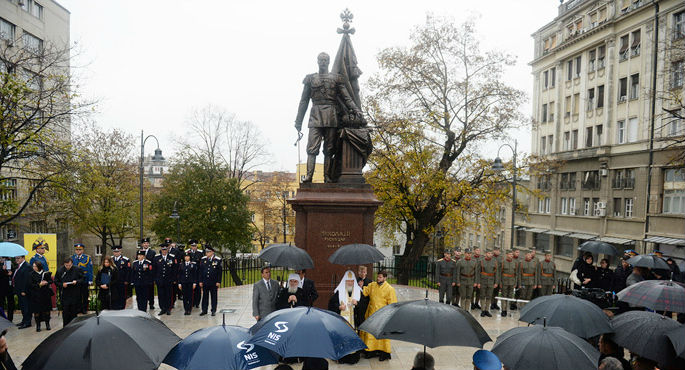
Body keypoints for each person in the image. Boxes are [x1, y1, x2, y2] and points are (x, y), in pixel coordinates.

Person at [294, 52, 364, 183]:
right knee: (312, 148)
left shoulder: (336, 78)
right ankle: (309, 176)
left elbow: (346, 97)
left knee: (329, 148)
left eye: (325, 60)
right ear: (317, 61)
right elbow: (304, 101)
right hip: (315, 116)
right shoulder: (310, 79)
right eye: (321, 59)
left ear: (329, 62)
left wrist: (355, 109)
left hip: (331, 116)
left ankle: (327, 176)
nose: (323, 62)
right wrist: (298, 121)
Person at [360, 270, 397, 361]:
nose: (378, 278)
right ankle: (370, 351)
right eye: (378, 276)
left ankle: (383, 353)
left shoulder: (390, 289)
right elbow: (365, 292)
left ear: (385, 278)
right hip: (371, 313)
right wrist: (361, 286)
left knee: (382, 334)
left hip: (382, 315)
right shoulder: (372, 285)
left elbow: (392, 304)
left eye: (380, 277)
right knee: (371, 333)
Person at [327, 270, 362, 365]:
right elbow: (331, 304)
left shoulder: (359, 292)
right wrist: (339, 307)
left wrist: (357, 304)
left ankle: (352, 358)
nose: (350, 283)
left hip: (353, 321)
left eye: (351, 281)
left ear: (354, 282)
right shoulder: (339, 291)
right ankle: (342, 358)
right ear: (344, 281)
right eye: (348, 281)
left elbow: (364, 306)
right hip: (342, 321)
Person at [55, 257, 85, 326]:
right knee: (65, 312)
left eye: (69, 265)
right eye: (66, 265)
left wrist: (76, 281)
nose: (68, 267)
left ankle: (74, 326)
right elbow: (56, 281)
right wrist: (62, 285)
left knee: (74, 312)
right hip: (65, 294)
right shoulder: (60, 270)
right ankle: (65, 327)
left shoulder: (77, 269)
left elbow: (82, 278)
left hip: (74, 293)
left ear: (72, 264)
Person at [153, 243, 177, 315]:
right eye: (163, 250)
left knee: (169, 294)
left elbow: (174, 269)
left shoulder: (172, 257)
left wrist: (174, 279)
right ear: (161, 250)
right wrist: (155, 279)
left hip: (169, 280)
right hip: (159, 280)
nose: (164, 251)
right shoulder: (156, 258)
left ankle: (168, 309)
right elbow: (154, 269)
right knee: (161, 295)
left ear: (167, 250)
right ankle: (162, 308)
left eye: (165, 250)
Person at [29, 261, 52, 331]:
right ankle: (38, 325)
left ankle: (47, 324)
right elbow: (30, 285)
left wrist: (46, 282)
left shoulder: (45, 273)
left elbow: (51, 281)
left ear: (39, 267)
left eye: (35, 266)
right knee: (37, 311)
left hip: (45, 295)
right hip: (36, 296)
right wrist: (39, 284)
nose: (34, 268)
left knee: (46, 311)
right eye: (33, 266)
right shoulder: (31, 274)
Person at [199, 244, 221, 316]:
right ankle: (204, 310)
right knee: (205, 296)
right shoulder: (203, 259)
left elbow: (219, 272)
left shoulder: (217, 260)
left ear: (212, 252)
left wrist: (218, 281)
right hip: (205, 281)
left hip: (213, 282)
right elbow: (201, 271)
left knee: (213, 296)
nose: (207, 253)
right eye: (206, 252)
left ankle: (213, 310)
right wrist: (200, 281)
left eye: (208, 252)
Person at [71, 243, 93, 314]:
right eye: (77, 250)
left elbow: (90, 270)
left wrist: (90, 280)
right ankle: (78, 308)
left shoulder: (87, 258)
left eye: (80, 250)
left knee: (85, 295)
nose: (78, 251)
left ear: (83, 250)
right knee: (77, 295)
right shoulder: (72, 258)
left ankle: (84, 309)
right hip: (76, 279)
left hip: (85, 279)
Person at [476, 249, 497, 317]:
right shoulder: (481, 261)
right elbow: (478, 272)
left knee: (489, 296)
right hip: (483, 281)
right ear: (485, 254)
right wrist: (478, 282)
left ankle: (487, 310)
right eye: (489, 253)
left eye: (491, 253)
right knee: (482, 295)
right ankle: (482, 310)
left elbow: (496, 273)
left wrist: (496, 282)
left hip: (491, 281)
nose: (490, 254)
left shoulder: (494, 261)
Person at [12, 255, 31, 329]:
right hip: (19, 290)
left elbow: (26, 280)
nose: (16, 260)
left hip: (24, 291)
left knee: (26, 307)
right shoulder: (19, 266)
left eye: (18, 258)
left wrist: (24, 290)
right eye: (16, 258)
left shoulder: (27, 266)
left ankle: (27, 322)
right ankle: (24, 320)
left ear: (23, 258)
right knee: (22, 306)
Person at [111, 245, 131, 310]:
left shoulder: (125, 260)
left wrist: (126, 280)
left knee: (122, 295)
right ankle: (114, 307)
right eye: (115, 252)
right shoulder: (111, 259)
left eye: (118, 251)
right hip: (113, 282)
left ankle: (121, 308)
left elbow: (128, 271)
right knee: (114, 295)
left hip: (122, 281)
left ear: (120, 251)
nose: (116, 253)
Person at [185, 239, 204, 308]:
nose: (194, 247)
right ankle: (191, 302)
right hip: (190, 273)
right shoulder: (187, 252)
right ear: (190, 246)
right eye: (192, 246)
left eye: (195, 246)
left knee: (198, 289)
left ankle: (197, 302)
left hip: (198, 272)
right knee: (190, 289)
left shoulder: (200, 252)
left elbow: (202, 263)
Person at [499, 250, 517, 317]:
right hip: (504, 281)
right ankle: (503, 310)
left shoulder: (514, 263)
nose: (511, 256)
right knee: (504, 296)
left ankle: (508, 310)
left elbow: (516, 274)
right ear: (507, 255)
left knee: (510, 296)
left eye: (512, 254)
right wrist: (500, 282)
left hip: (512, 282)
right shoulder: (503, 262)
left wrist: (515, 282)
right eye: (510, 254)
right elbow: (500, 273)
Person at [139, 237, 156, 310]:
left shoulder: (153, 252)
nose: (146, 244)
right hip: (142, 275)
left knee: (150, 289)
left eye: (147, 243)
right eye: (144, 243)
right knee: (143, 290)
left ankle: (151, 303)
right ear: (142, 244)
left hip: (150, 274)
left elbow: (154, 264)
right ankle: (143, 303)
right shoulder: (139, 252)